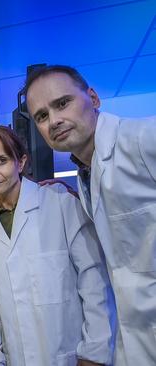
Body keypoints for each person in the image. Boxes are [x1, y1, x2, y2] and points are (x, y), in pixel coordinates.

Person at [24, 64, 156, 365]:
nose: (54, 120)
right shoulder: (86, 174)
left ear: (93, 98)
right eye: (42, 116)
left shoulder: (142, 138)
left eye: (62, 103)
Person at [0, 126, 114, 365]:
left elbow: (94, 282)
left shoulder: (60, 204)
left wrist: (94, 352)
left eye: (2, 161)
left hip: (69, 355)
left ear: (21, 162)